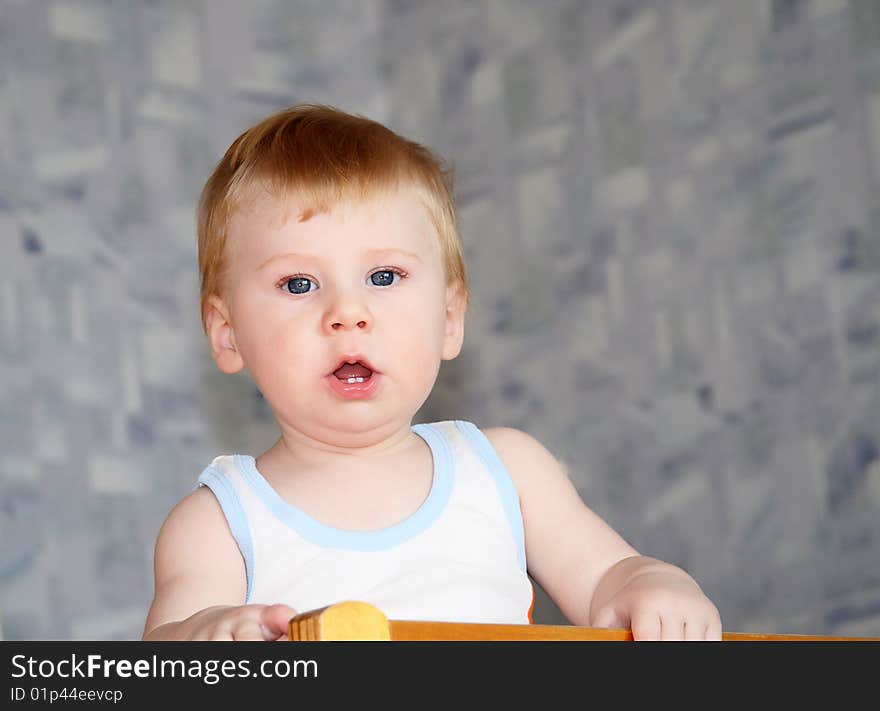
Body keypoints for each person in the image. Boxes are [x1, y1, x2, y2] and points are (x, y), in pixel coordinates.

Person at [142, 104, 722, 642]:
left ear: (448, 319)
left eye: (385, 277)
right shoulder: (218, 523)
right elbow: (160, 657)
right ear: (228, 333)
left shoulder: (507, 472)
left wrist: (650, 581)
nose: (348, 313)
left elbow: (607, 581)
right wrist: (206, 636)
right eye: (299, 284)